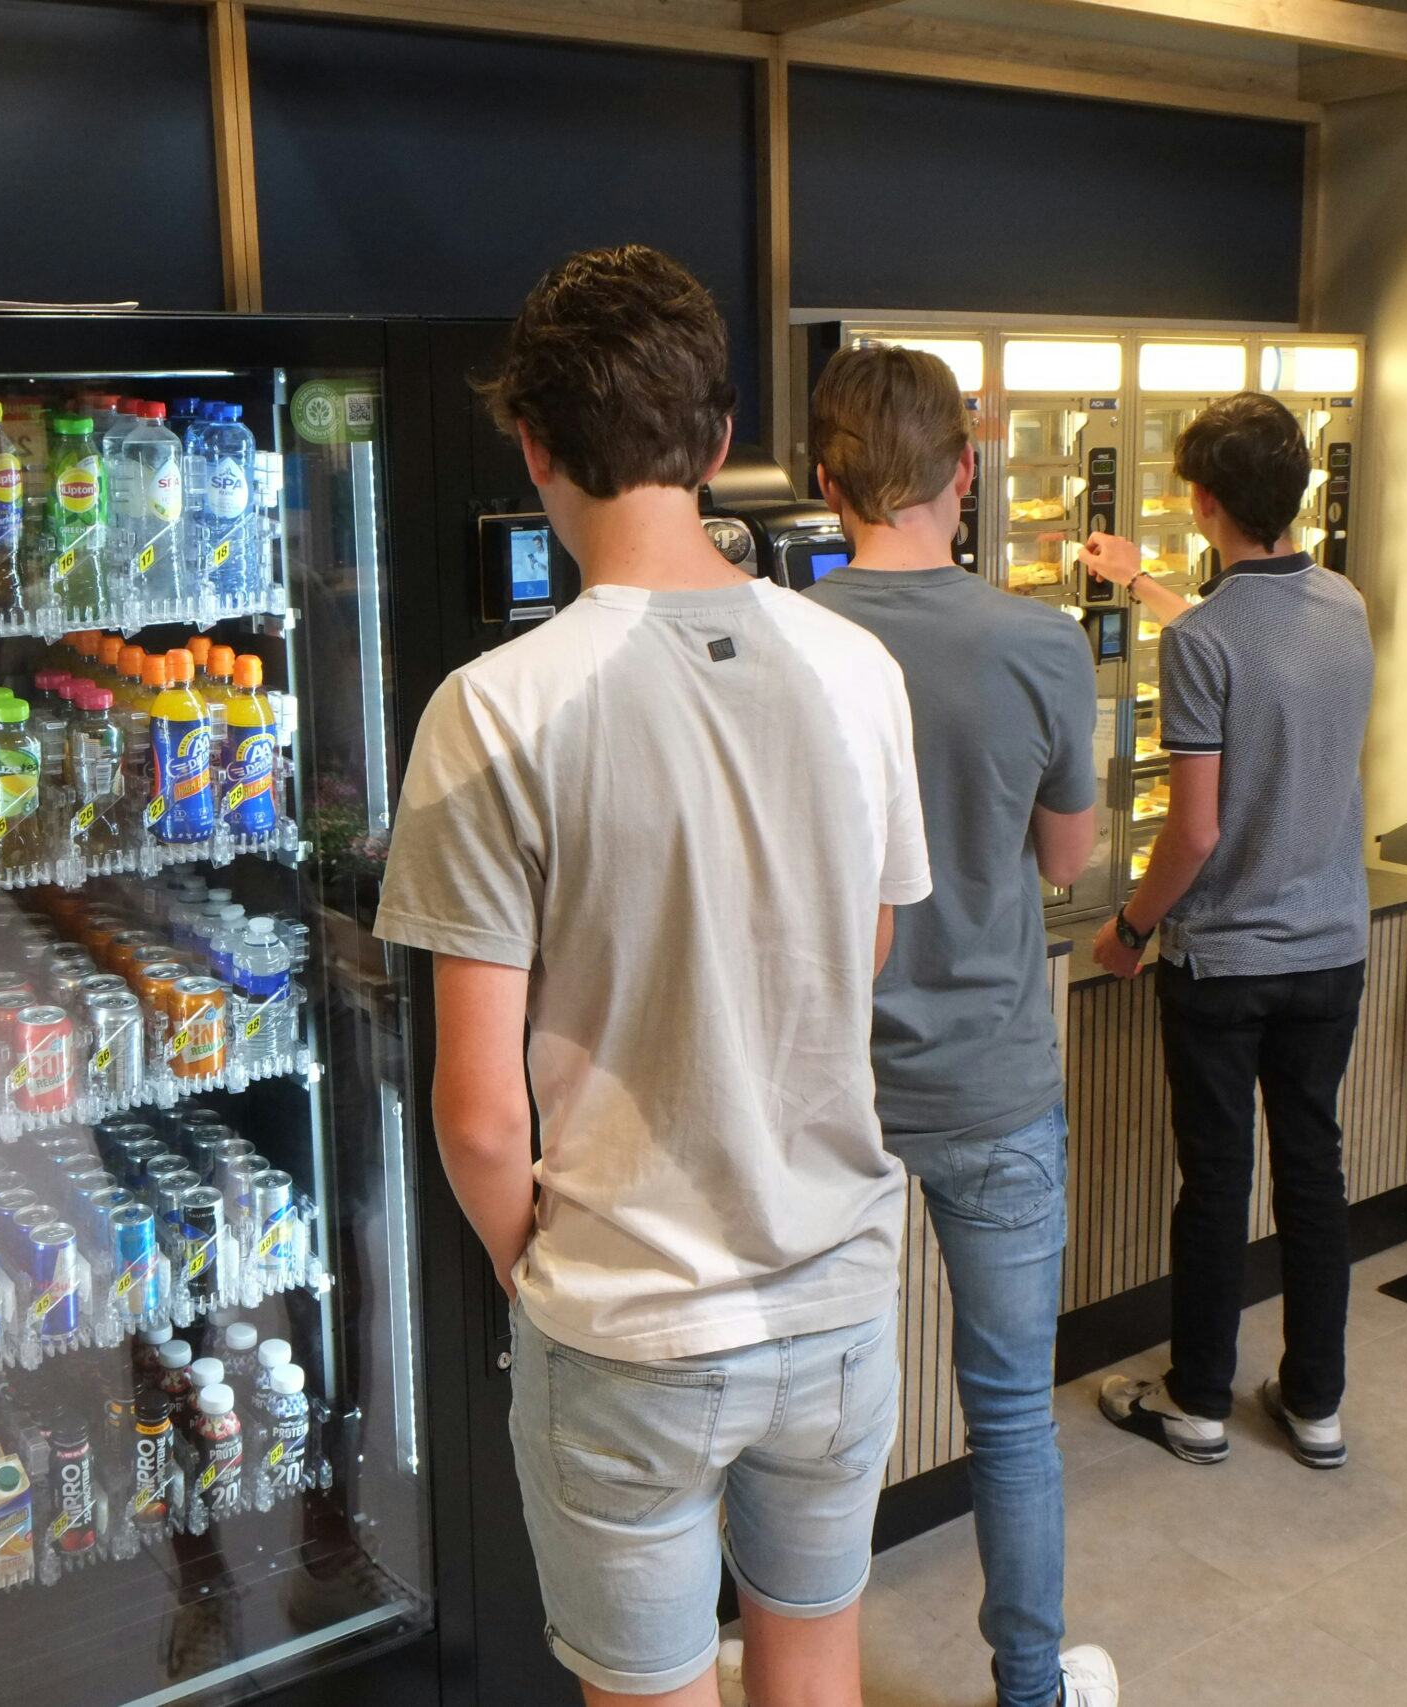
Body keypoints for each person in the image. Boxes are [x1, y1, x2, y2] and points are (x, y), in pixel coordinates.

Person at [374, 245, 931, 1707]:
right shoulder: (856, 668)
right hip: (837, 1291)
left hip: (627, 1316)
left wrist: (532, 1268)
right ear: (723, 441)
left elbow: (482, 1111)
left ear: (534, 443)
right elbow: (865, 943)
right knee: (817, 1672)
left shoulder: (490, 710)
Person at [801, 345, 1120, 1707]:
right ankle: (1031, 1687)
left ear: (825, 482)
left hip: (831, 1094)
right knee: (1009, 1412)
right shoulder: (1040, 642)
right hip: (994, 1080)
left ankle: (792, 1667)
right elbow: (1070, 863)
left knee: (813, 1421)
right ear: (967, 470)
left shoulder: (786, 634)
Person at [1087, 392, 1374, 1473]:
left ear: (1201, 501)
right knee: (1312, 1173)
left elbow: (1193, 832)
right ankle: (1315, 1406)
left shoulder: (1199, 648)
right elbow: (1257, 650)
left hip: (1221, 962)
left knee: (1216, 1183)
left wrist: (1127, 927)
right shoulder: (1343, 603)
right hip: (1330, 953)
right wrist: (1142, 582)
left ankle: (1198, 1400)